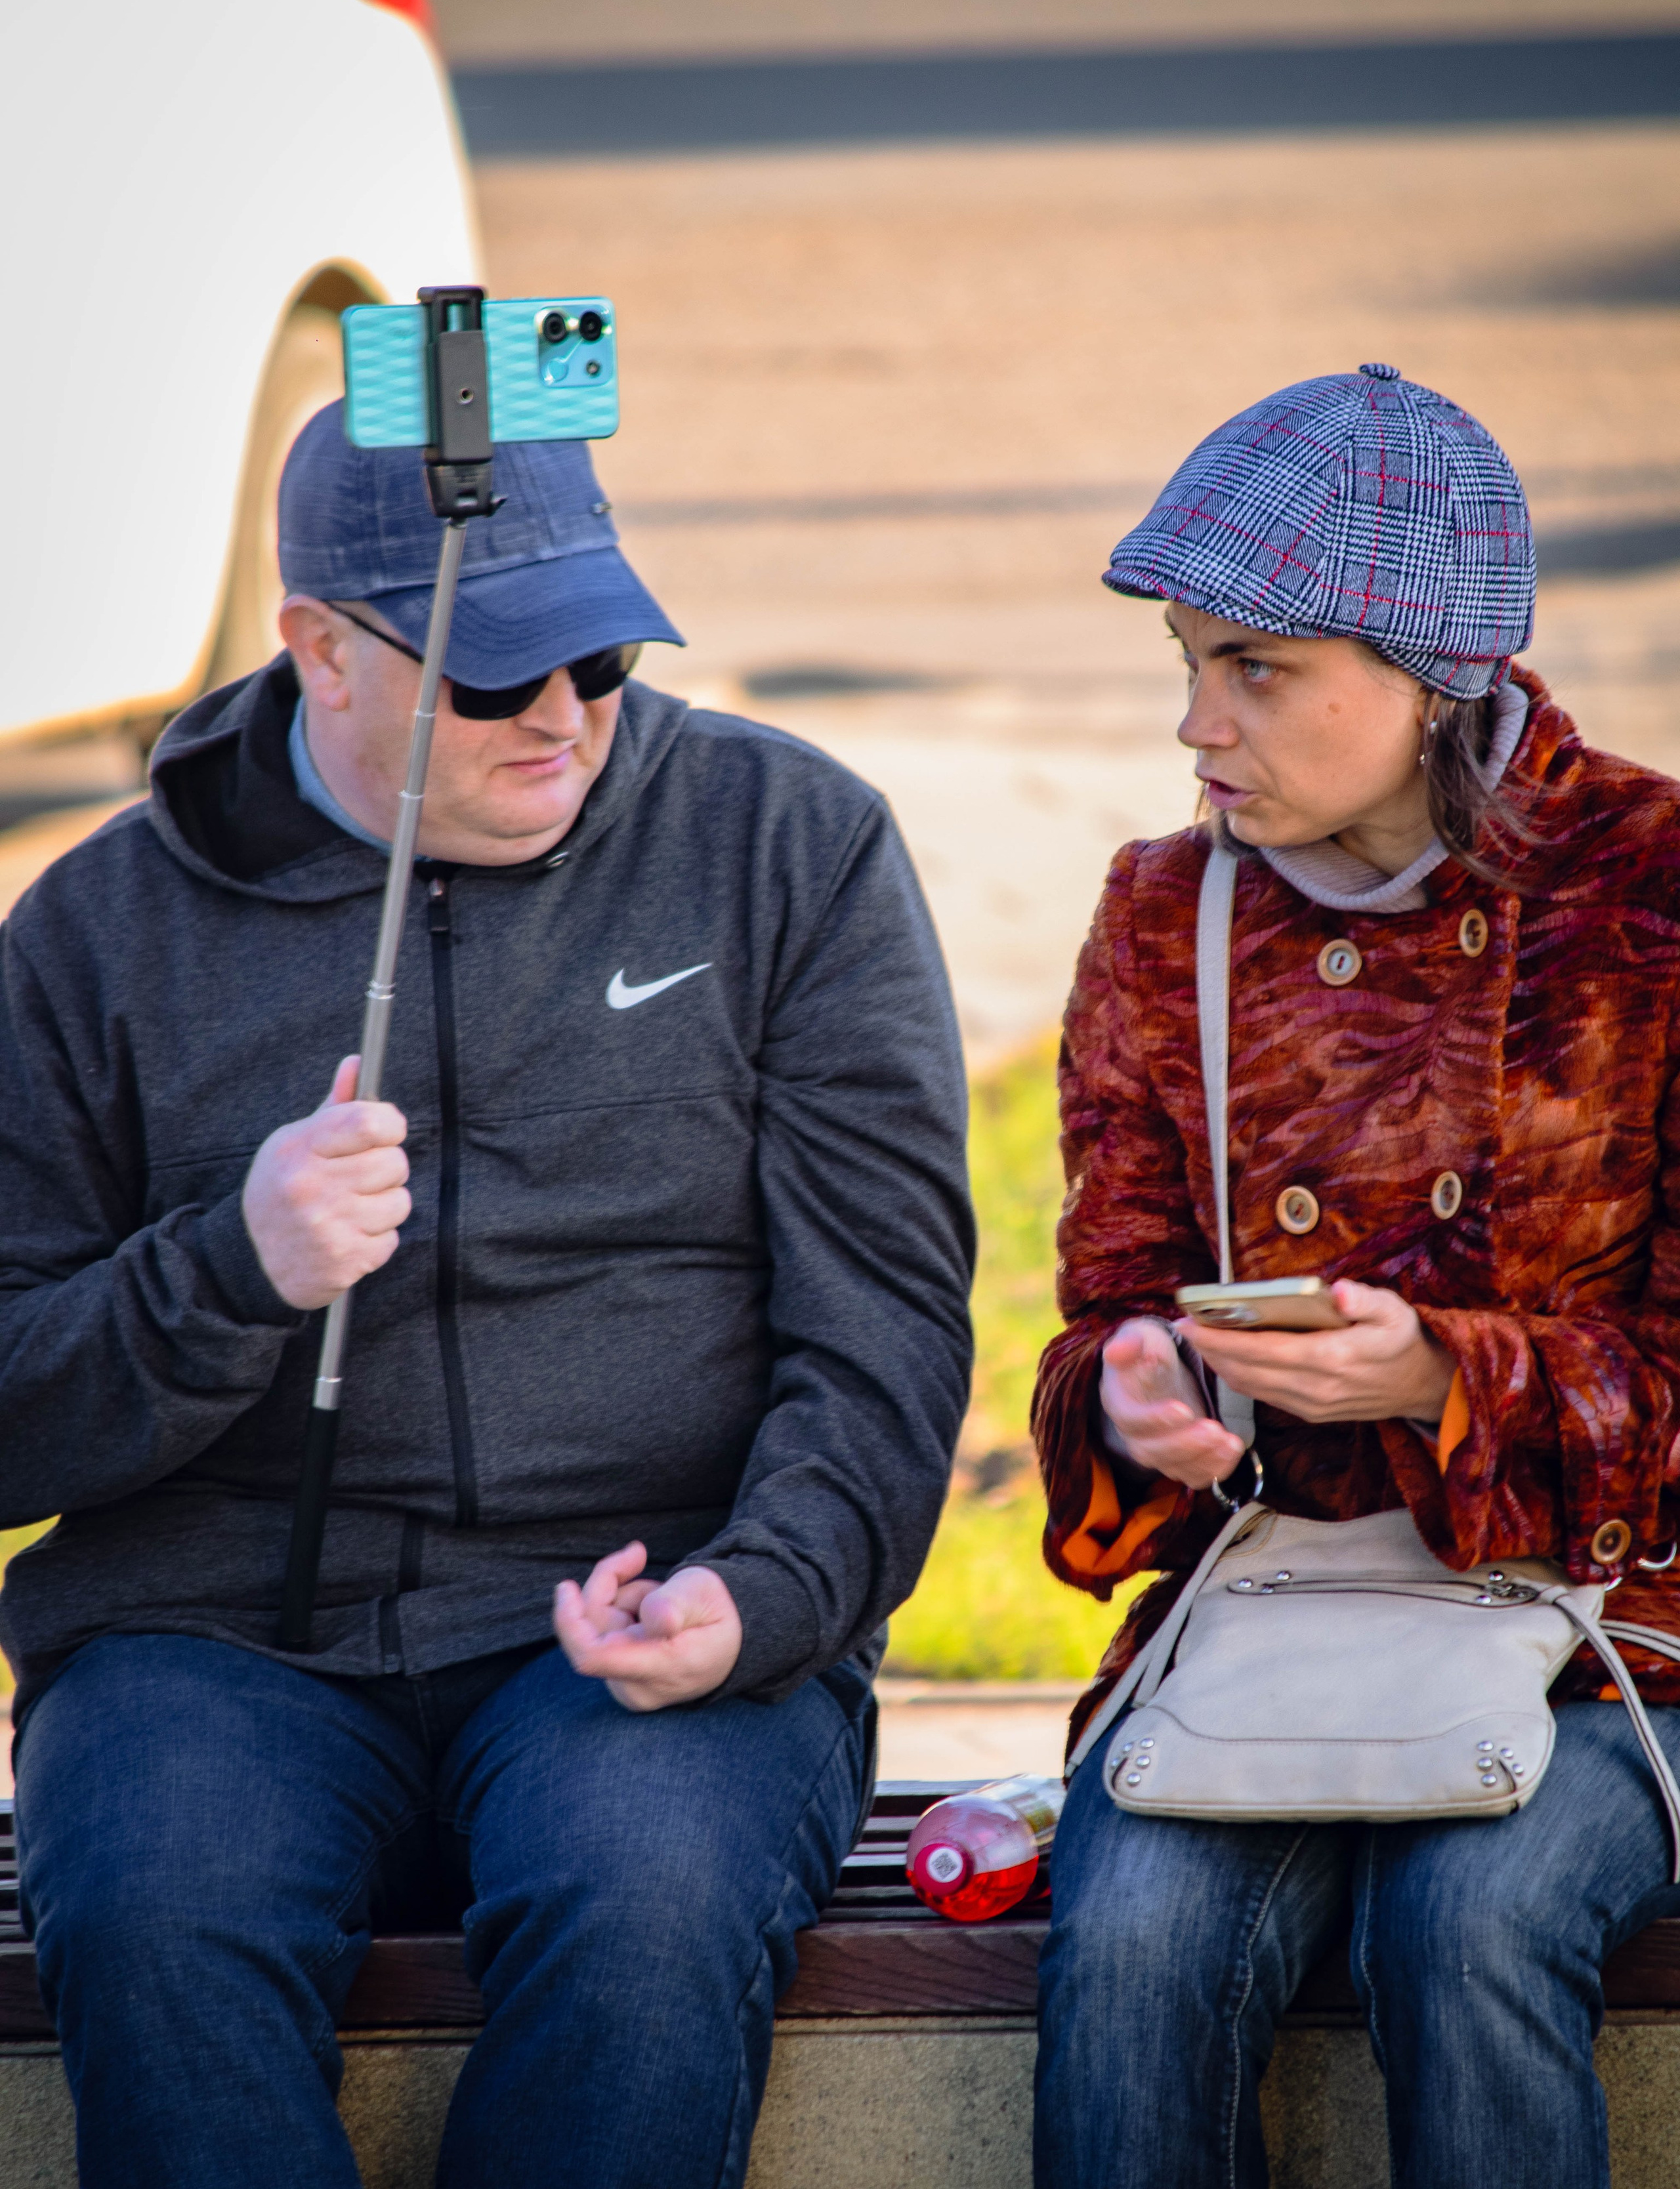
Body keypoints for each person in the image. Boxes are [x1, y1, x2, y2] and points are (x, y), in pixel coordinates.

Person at [0, 406, 974, 2188]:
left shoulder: (791, 845)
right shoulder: (91, 935)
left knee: (650, 1914)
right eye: (494, 674)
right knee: (158, 1923)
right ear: (320, 654)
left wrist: (760, 1597)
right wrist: (230, 1271)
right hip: (206, 1642)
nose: (564, 715)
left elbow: (892, 1335)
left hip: (651, 1599)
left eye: (600, 652)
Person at [1030, 363, 1680, 2189]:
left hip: (1631, 1621)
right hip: (1293, 1596)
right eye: (1185, 662)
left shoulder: (1650, 889)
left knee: (1471, 1924)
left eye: (1254, 670)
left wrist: (1445, 1381)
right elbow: (1106, 1309)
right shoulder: (1169, 914)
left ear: (1428, 678)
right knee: (1134, 1936)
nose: (1195, 726)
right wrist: (1142, 1394)